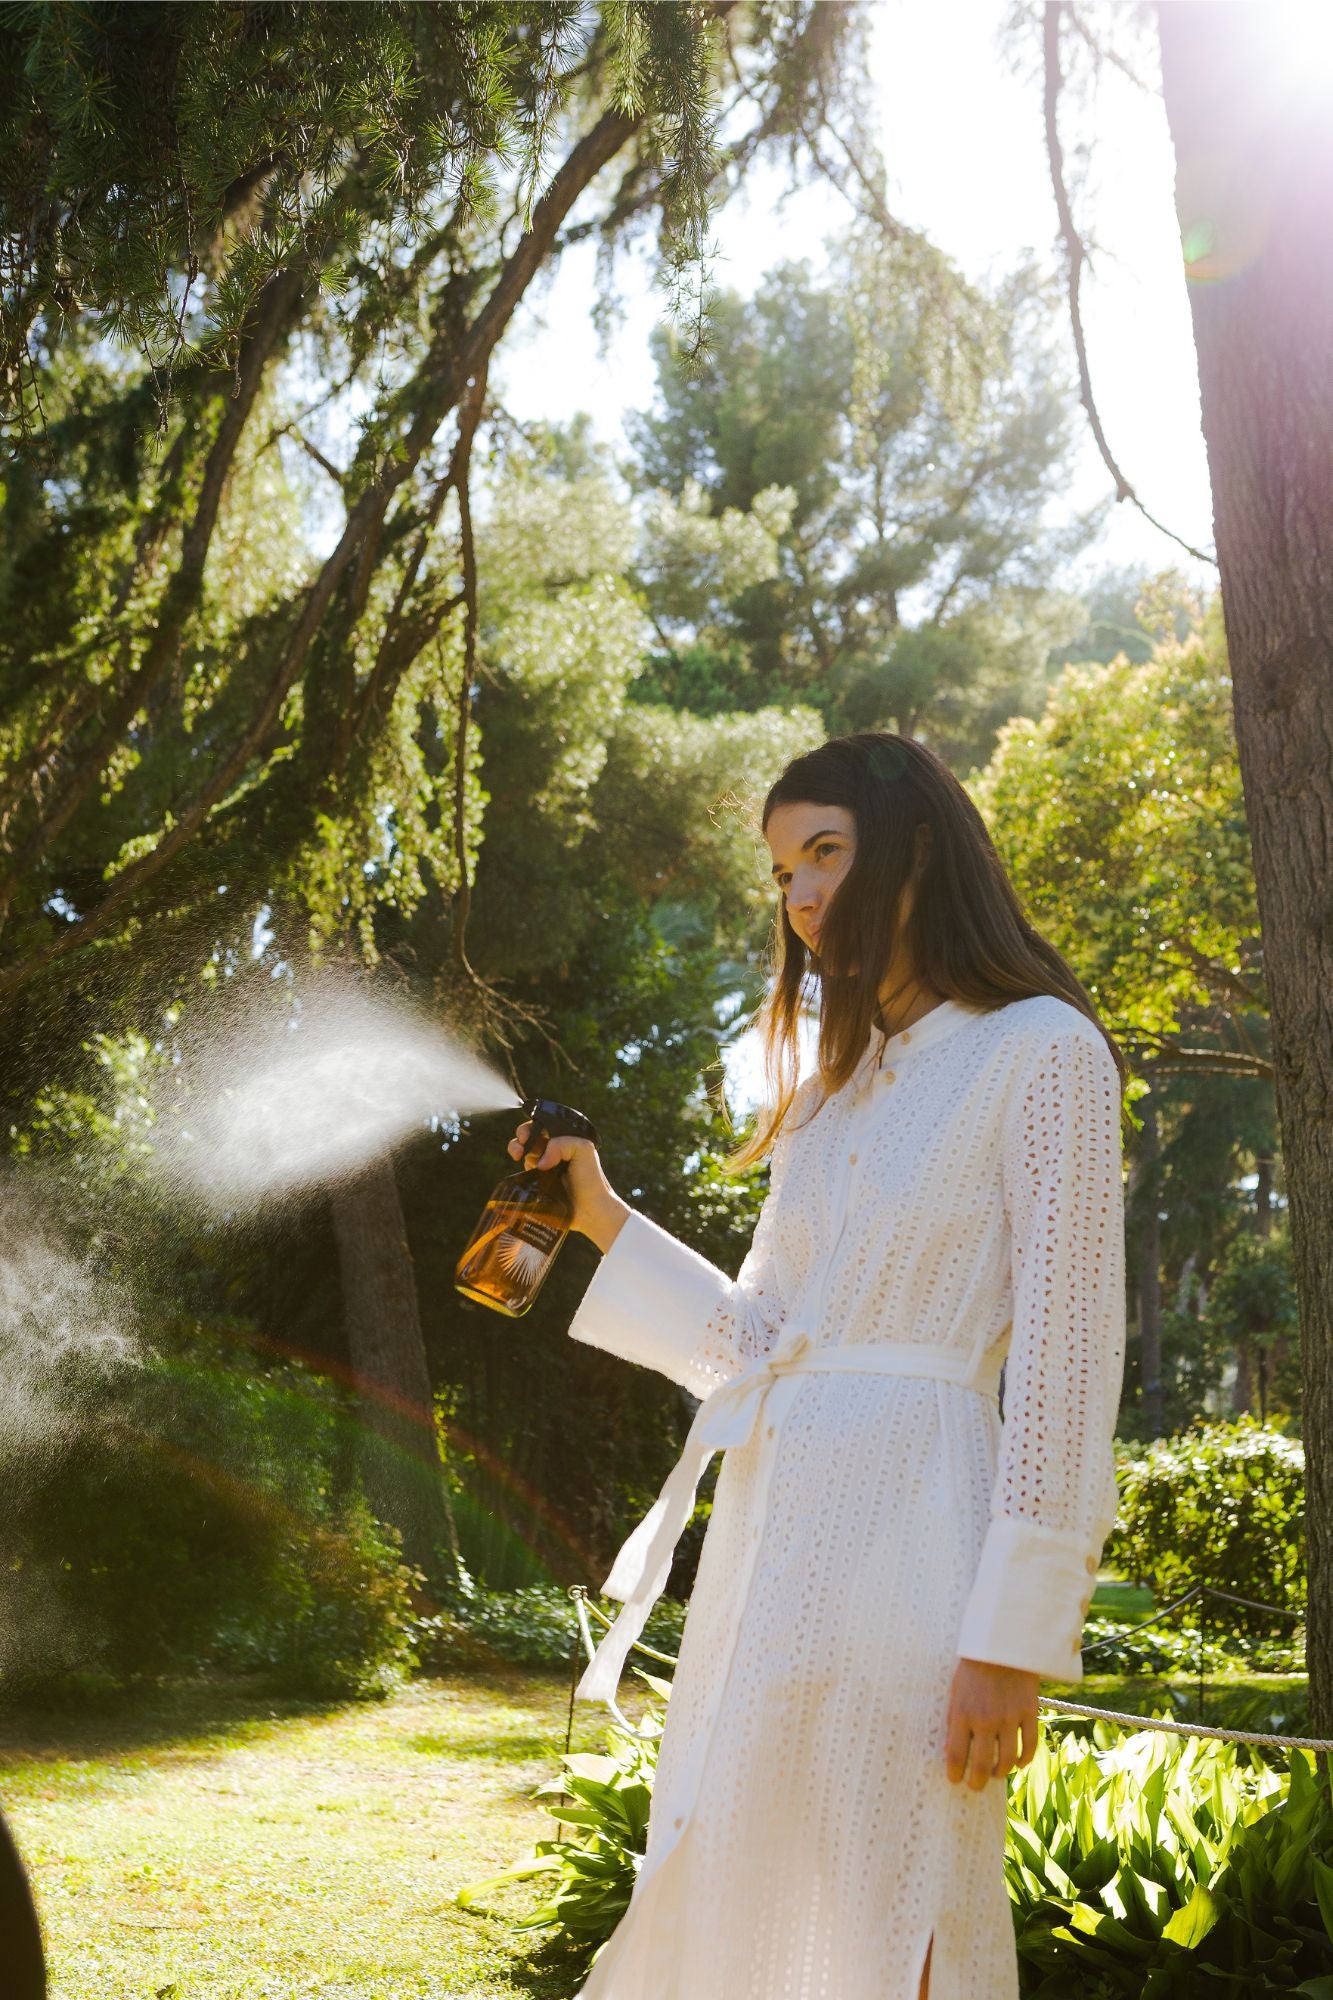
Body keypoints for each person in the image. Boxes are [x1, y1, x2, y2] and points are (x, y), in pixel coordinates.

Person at [508, 732, 1128, 2000]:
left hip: (918, 1541)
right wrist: (601, 1218)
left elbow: (1067, 1362)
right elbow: (754, 1342)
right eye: (784, 867)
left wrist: (1010, 1636)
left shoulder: (1041, 1050)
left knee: (899, 1897)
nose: (799, 894)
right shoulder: (825, 1095)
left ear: (915, 849)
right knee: (734, 1877)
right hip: (767, 1546)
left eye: (826, 851)